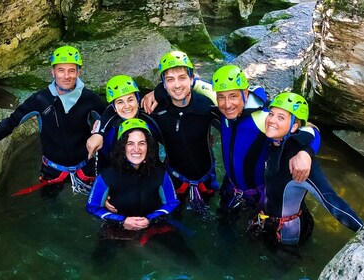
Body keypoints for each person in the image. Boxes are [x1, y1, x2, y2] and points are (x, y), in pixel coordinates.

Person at [0, 45, 106, 196]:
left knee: (95, 206)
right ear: (52, 72)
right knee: (51, 206)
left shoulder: (90, 99)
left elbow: (110, 119)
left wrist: (100, 133)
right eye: (61, 70)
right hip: (52, 170)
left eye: (72, 70)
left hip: (86, 167)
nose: (66, 76)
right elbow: (12, 122)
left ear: (79, 72)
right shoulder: (40, 100)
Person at [248, 91, 363, 246]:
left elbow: (332, 201)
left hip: (289, 231)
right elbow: (311, 129)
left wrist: (361, 229)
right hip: (268, 217)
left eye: (281, 117)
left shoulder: (299, 162)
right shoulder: (273, 141)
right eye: (271, 114)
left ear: (294, 126)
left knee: (282, 262)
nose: (272, 120)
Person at [210, 65, 321, 218]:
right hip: (230, 186)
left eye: (233, 96)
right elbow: (195, 84)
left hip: (258, 194)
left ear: (245, 93)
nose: (227, 104)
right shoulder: (222, 104)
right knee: (223, 221)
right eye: (221, 97)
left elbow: (312, 129)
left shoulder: (264, 117)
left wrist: (306, 152)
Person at [87, 119, 197, 264]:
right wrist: (122, 221)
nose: (136, 149)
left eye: (141, 143)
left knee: (190, 260)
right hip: (117, 227)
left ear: (149, 146)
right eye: (130, 143)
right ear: (122, 147)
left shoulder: (160, 174)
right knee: (98, 265)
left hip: (155, 224)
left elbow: (172, 202)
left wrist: (150, 219)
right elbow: (92, 207)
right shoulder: (107, 176)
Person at [141, 50, 221, 218]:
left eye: (182, 78)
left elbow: (240, 109)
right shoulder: (154, 110)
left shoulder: (206, 105)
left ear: (192, 80)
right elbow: (120, 109)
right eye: (170, 80)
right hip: (174, 179)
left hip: (206, 177)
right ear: (163, 84)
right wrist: (98, 131)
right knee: (174, 220)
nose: (177, 85)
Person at [85, 74, 163, 166]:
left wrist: (157, 92)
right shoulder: (109, 131)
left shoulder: (150, 117)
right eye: (120, 102)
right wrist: (99, 132)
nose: (127, 106)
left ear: (138, 101)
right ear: (114, 107)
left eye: (130, 100)